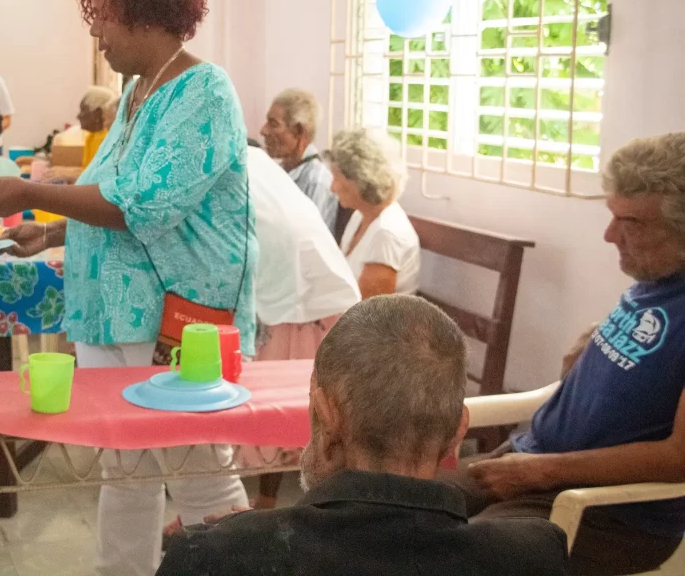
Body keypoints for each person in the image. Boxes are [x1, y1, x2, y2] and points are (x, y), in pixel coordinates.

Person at [0, 0, 255, 576]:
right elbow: (109, 190)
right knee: (124, 467)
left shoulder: (203, 91)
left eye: (103, 17)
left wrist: (29, 192)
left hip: (176, 315)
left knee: (199, 471)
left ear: (145, 15)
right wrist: (50, 233)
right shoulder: (138, 92)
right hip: (113, 312)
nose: (96, 34)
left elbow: (146, 203)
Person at [158, 296, 569, 576]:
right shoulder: (532, 553)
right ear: (458, 431)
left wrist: (244, 537)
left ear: (326, 414)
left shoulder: (211, 554)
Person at [445, 132, 685, 576]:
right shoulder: (658, 278)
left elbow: (679, 458)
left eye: (630, 222)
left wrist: (541, 472)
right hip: (534, 457)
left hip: (609, 513)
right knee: (387, 512)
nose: (609, 235)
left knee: (446, 557)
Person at [246, 144, 361, 510]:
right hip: (308, 298)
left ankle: (296, 505)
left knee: (293, 414)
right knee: (298, 415)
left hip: (304, 305)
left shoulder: (240, 171)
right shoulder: (262, 169)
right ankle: (270, 501)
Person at [326, 128, 420, 298]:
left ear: (361, 180)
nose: (332, 187)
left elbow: (368, 311)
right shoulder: (360, 216)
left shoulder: (387, 235)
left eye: (337, 178)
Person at [260, 88, 338, 234]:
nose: (263, 131)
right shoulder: (278, 170)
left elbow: (312, 239)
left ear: (299, 131)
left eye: (273, 124)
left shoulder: (316, 181)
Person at [44, 86, 120, 183]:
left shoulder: (107, 139)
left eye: (83, 110)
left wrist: (67, 173)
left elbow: (98, 178)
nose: (78, 116)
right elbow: (88, 170)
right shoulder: (91, 137)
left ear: (97, 113)